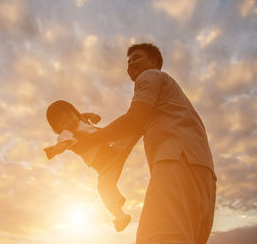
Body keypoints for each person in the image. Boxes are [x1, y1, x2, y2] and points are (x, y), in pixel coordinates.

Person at [74, 43, 216, 243]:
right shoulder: (167, 95)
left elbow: (133, 120)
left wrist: (90, 139)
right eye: (129, 61)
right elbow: (128, 133)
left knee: (157, 238)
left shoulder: (149, 76)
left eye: (137, 58)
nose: (131, 64)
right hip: (203, 173)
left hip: (178, 159)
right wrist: (87, 129)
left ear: (154, 62)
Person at [44, 100, 141, 232]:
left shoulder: (80, 119)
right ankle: (120, 215)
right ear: (58, 128)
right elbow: (64, 144)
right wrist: (55, 149)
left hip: (114, 149)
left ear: (74, 113)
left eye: (70, 116)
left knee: (131, 132)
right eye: (63, 122)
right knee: (103, 188)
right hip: (105, 167)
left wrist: (94, 116)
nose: (69, 121)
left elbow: (86, 116)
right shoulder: (67, 134)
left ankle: (144, 123)